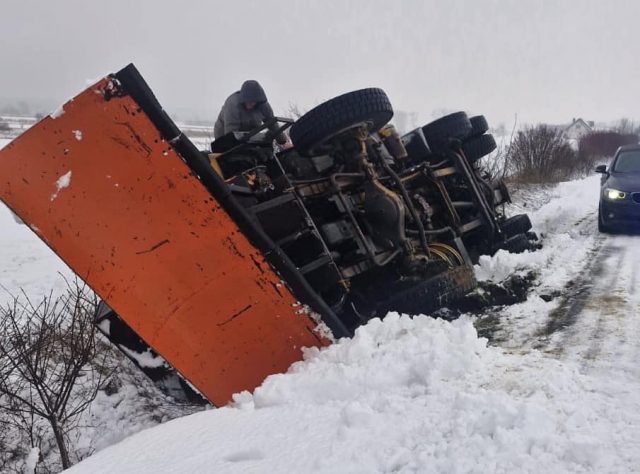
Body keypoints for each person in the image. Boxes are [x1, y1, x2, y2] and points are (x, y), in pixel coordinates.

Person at [213, 80, 290, 147]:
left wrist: (283, 142)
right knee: (230, 154)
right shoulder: (232, 104)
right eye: (249, 101)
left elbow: (272, 123)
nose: (252, 104)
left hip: (250, 133)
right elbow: (231, 132)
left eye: (254, 102)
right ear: (244, 99)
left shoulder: (263, 105)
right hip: (224, 135)